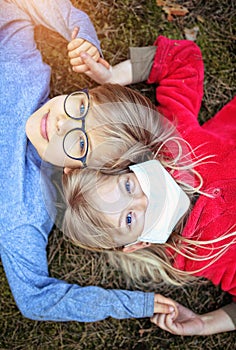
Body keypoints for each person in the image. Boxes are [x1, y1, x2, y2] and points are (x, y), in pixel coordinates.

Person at [0, 0, 176, 323]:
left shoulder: (20, 215)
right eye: (80, 107)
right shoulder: (25, 69)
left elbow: (35, 299)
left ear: (75, 172)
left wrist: (133, 305)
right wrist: (82, 37)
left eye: (80, 142)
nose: (59, 121)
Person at [62, 35, 236, 335]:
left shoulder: (171, 142)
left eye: (129, 186)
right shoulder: (197, 256)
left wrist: (113, 76)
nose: (144, 200)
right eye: (129, 218)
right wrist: (206, 324)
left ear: (132, 167)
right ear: (137, 244)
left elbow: (184, 59)